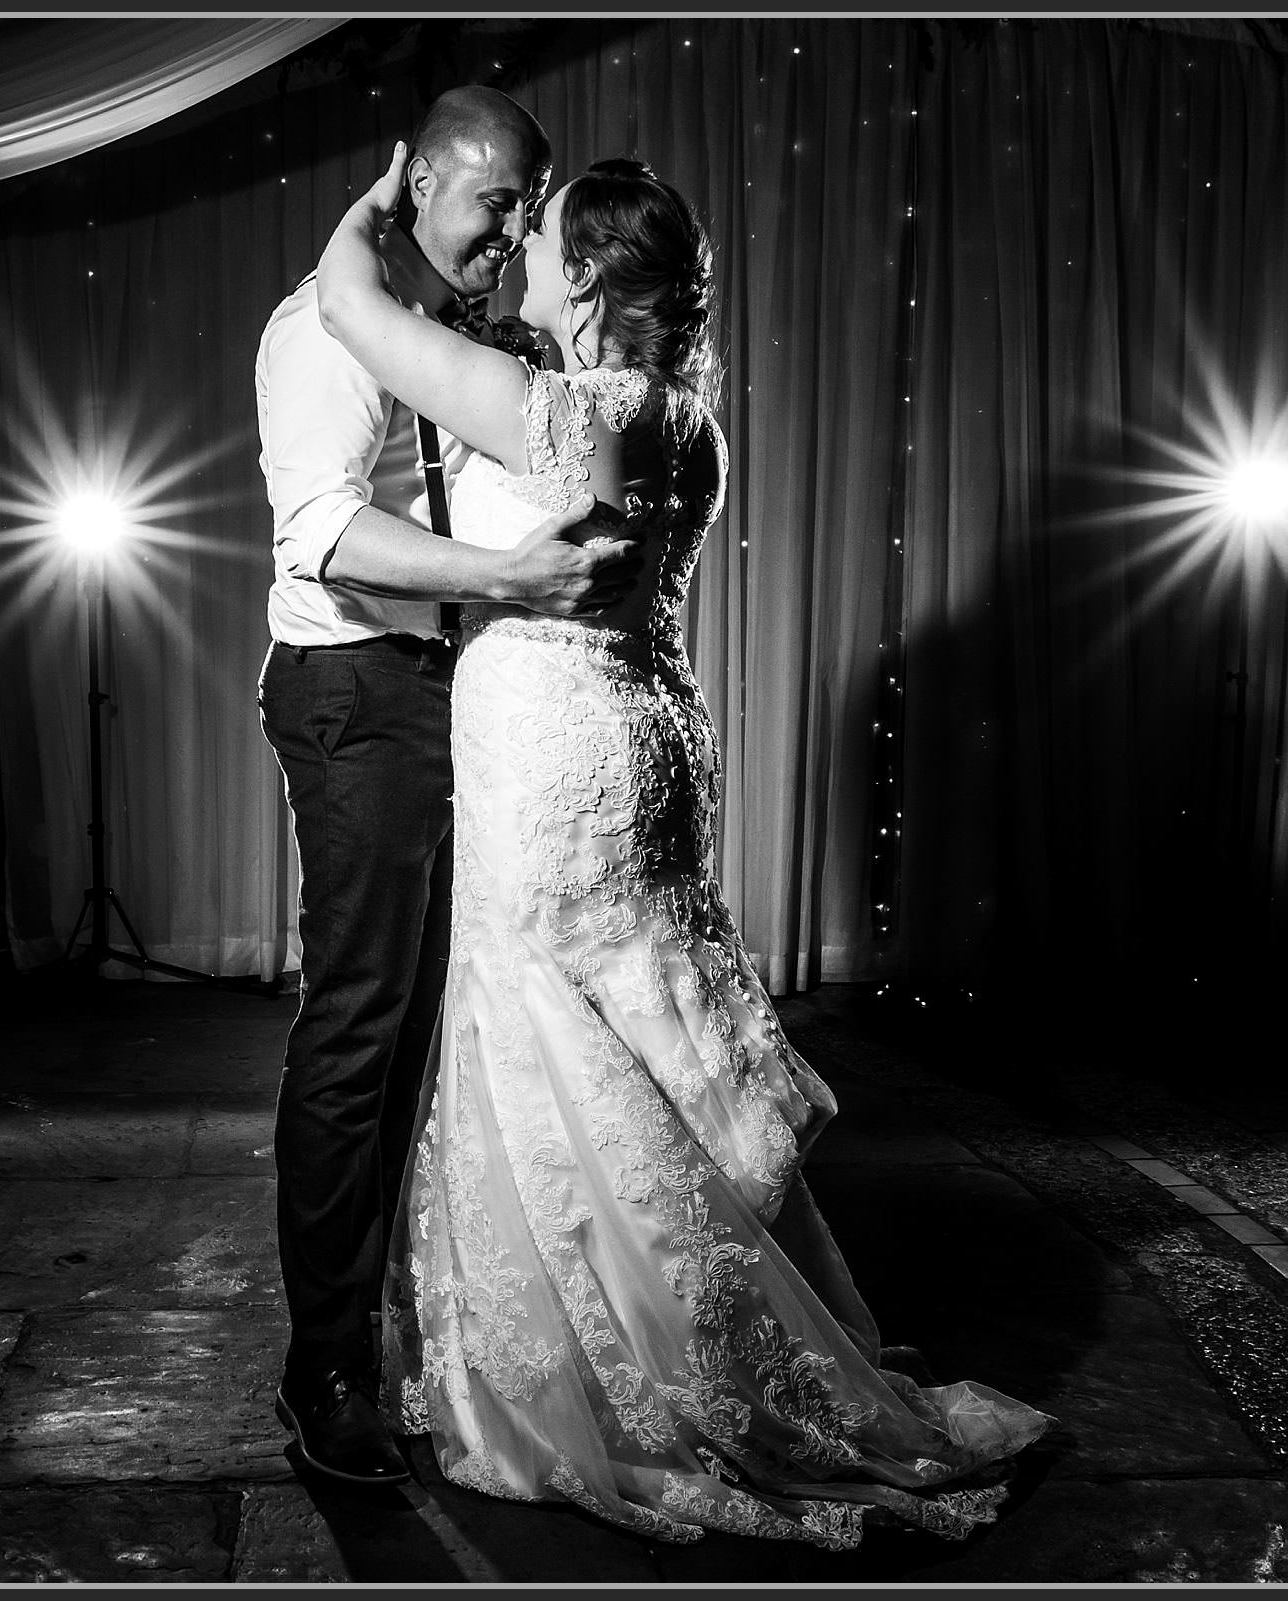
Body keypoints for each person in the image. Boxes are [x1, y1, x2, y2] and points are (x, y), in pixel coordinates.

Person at [314, 148, 1053, 1547]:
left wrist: (382, 207)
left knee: (551, 1034)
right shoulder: (683, 417)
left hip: (554, 756)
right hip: (645, 736)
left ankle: (626, 1383)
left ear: (589, 273)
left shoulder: (562, 407)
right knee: (638, 1029)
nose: (520, 247)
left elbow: (358, 310)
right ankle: (697, 1331)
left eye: (542, 238)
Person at [255, 87, 642, 1488]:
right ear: (418, 182)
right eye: (495, 204)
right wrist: (512, 577)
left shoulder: (455, 339)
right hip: (359, 693)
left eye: (528, 211)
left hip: (463, 695)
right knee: (359, 1030)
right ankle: (328, 1370)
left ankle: (419, 1324)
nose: (512, 235)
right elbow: (326, 537)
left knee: (436, 1026)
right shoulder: (318, 331)